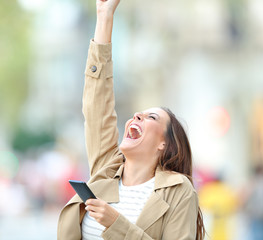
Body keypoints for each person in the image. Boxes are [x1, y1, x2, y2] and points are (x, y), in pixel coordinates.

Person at [58, 0, 205, 239]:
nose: (137, 115)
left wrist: (116, 223)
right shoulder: (107, 167)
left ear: (164, 144)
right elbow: (98, 105)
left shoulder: (178, 190)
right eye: (139, 113)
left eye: (151, 117)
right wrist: (104, 16)